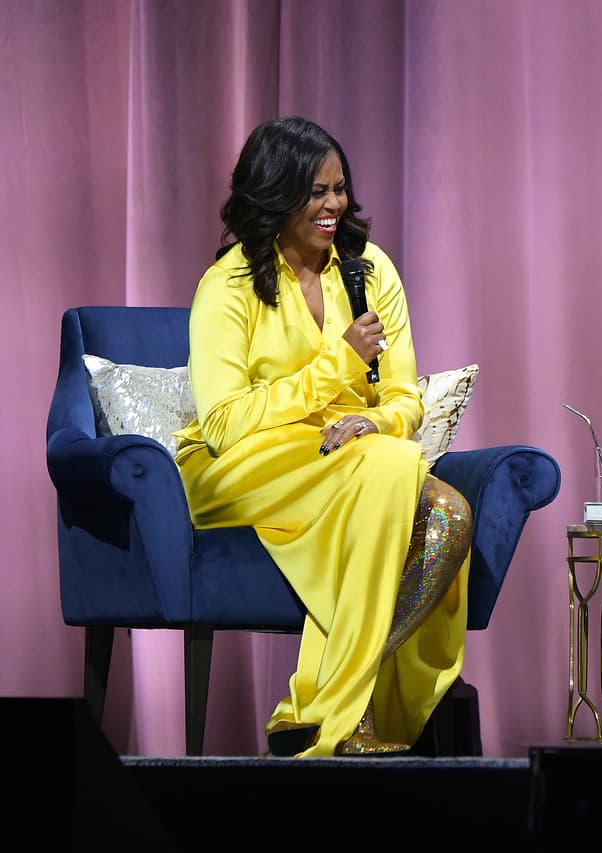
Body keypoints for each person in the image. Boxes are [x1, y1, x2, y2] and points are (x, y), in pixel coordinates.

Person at [172, 116, 473, 757]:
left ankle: (320, 703)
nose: (333, 204)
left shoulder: (369, 271)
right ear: (274, 195)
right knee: (388, 469)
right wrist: (335, 367)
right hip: (245, 465)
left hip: (352, 452)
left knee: (448, 514)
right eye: (315, 192)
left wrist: (376, 419)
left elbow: (401, 394)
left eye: (339, 188)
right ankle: (345, 718)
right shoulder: (227, 285)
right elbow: (224, 423)